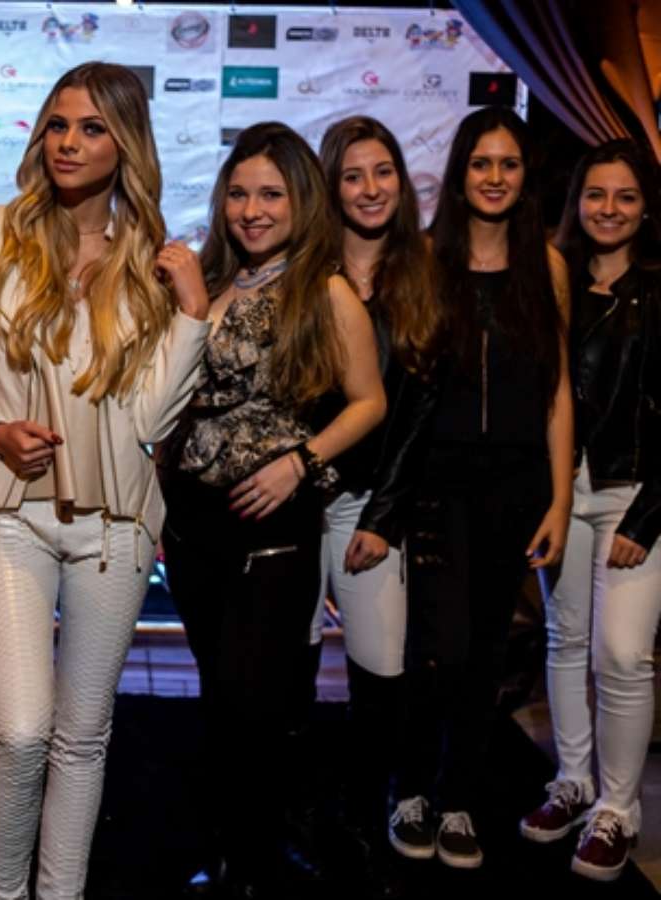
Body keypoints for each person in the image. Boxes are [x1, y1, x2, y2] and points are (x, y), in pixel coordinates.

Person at [0, 61, 211, 900]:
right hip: (7, 509)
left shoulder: (151, 263)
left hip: (115, 523)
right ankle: (0, 890)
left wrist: (192, 315)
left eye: (91, 128)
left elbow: (151, 419)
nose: (68, 143)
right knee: (19, 730)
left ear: (127, 145)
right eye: (57, 124)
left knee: (83, 736)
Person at [158, 121, 386, 898]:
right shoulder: (210, 281)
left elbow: (368, 402)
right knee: (220, 698)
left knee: (252, 701)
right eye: (238, 193)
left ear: (301, 201)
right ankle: (232, 850)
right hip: (193, 524)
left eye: (270, 195)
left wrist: (301, 462)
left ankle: (255, 864)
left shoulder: (323, 289)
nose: (251, 210)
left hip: (272, 526)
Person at [388, 106, 573, 869]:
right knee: (439, 646)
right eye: (481, 163)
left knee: (488, 649)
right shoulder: (425, 261)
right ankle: (409, 789)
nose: (495, 177)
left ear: (526, 177)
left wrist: (559, 500)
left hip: (517, 485)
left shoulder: (548, 267)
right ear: (460, 172)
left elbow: (558, 391)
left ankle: (458, 797)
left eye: (509, 164)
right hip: (439, 483)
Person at [301, 115, 439, 897]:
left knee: (380, 676)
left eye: (382, 171)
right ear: (330, 187)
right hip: (295, 503)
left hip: (370, 508)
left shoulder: (423, 277)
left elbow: (419, 415)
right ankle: (291, 820)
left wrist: (383, 520)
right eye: (352, 175)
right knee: (287, 675)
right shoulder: (301, 275)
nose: (370, 188)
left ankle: (360, 821)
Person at [519, 139, 661, 882]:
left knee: (623, 656)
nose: (609, 209)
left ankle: (618, 810)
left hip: (633, 494)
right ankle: (572, 782)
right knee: (565, 638)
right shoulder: (552, 279)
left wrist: (646, 519)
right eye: (596, 194)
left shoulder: (660, 288)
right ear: (575, 201)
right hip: (559, 492)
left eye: (626, 196)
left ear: (647, 206)